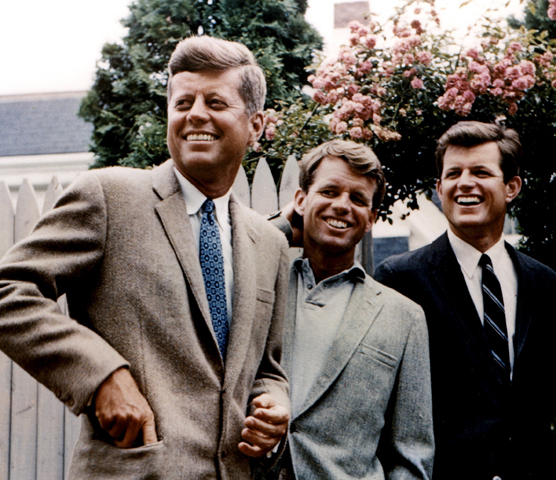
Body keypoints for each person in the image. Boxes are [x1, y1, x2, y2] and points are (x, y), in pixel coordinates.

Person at [0, 36, 291, 479]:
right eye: (183, 102)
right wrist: (101, 376)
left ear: (255, 124)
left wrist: (275, 405)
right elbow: (9, 292)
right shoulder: (109, 196)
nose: (195, 114)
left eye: (215, 101)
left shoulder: (269, 242)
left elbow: (267, 369)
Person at [374, 121, 556, 480]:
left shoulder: (544, 283)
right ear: (440, 189)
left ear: (511, 187)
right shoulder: (401, 279)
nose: (465, 183)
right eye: (454, 173)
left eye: (481, 172)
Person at [269, 139, 434, 480]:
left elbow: (412, 454)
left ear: (371, 218)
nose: (342, 206)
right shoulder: (260, 287)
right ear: (300, 200)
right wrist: (283, 227)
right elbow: (224, 256)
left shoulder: (403, 316)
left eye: (357, 199)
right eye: (329, 192)